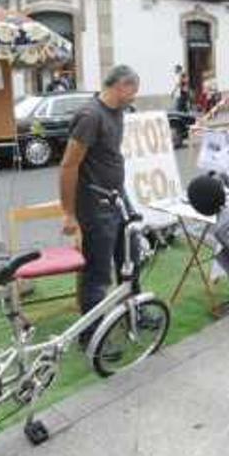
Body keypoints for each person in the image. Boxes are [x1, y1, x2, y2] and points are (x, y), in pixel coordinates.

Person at [58, 64, 140, 343]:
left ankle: (135, 311)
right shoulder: (91, 116)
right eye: (133, 91)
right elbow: (68, 166)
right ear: (121, 86)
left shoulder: (117, 111)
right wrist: (69, 213)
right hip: (95, 203)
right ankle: (91, 335)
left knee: (131, 255)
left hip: (117, 196)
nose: (134, 97)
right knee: (97, 271)